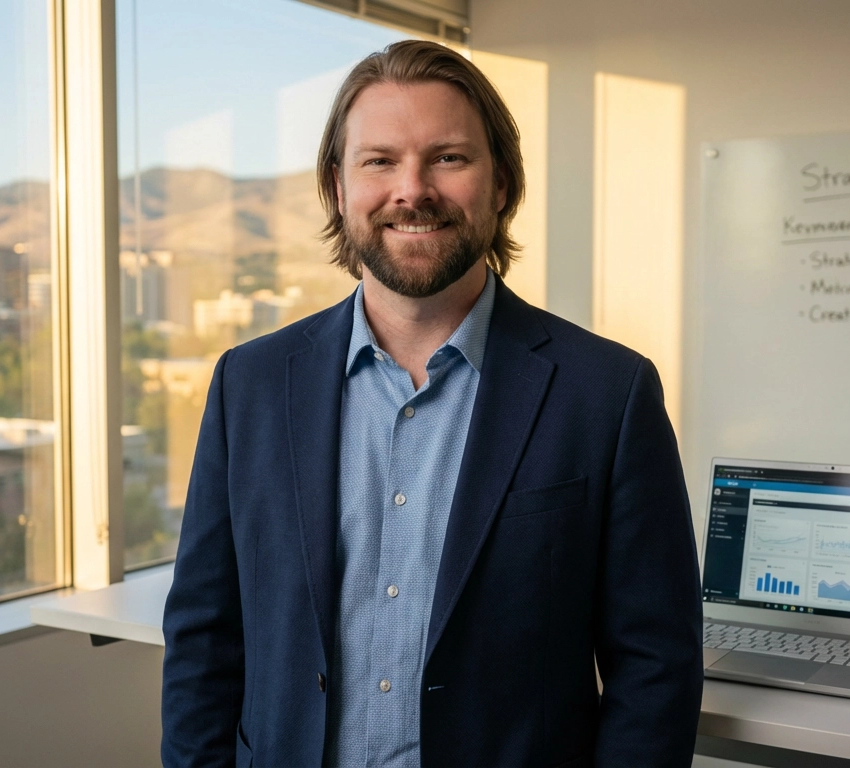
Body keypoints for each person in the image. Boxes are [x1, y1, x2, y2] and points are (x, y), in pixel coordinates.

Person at [161, 39, 702, 768]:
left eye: (448, 157)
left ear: (501, 183)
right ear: (339, 188)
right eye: (379, 161)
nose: (412, 190)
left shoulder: (607, 394)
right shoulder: (248, 385)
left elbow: (657, 665)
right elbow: (204, 640)